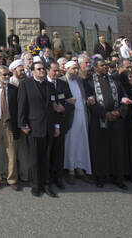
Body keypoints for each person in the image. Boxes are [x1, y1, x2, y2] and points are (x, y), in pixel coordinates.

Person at [85, 58, 130, 189]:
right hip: (99, 120)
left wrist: (118, 112)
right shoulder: (89, 82)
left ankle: (117, 177)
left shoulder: (115, 81)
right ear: (95, 67)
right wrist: (104, 114)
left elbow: (124, 98)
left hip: (115, 120)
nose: (105, 67)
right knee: (100, 150)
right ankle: (100, 176)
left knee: (117, 150)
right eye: (102, 65)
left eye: (106, 65)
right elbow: (91, 102)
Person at [18, 61, 57, 197]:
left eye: (43, 69)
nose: (42, 71)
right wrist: (23, 124)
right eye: (39, 69)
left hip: (48, 127)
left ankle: (46, 184)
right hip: (34, 127)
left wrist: (56, 126)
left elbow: (54, 107)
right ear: (33, 71)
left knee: (46, 158)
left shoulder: (50, 86)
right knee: (34, 158)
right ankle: (35, 185)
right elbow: (22, 105)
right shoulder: (25, 84)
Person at [60, 60, 91, 184]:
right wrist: (67, 102)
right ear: (67, 69)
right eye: (73, 68)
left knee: (81, 141)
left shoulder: (79, 80)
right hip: (70, 116)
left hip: (81, 115)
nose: (76, 71)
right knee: (71, 142)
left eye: (77, 68)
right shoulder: (62, 81)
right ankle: (70, 170)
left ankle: (80, 167)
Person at [47, 61, 73, 189]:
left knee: (58, 152)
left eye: (58, 71)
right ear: (48, 70)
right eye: (54, 71)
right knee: (47, 152)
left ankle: (58, 177)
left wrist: (64, 107)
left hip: (61, 123)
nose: (57, 73)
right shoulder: (43, 84)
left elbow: (71, 101)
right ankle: (47, 178)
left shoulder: (63, 84)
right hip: (47, 124)